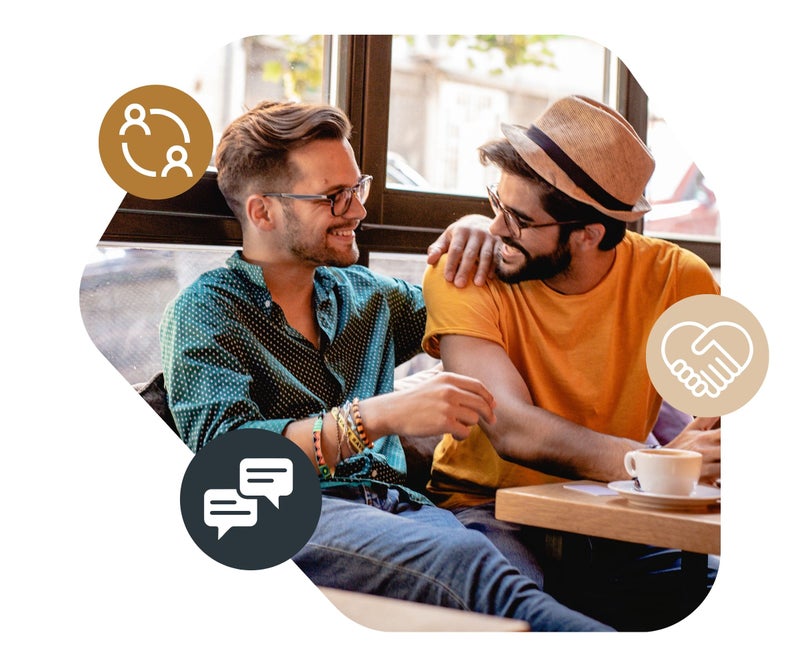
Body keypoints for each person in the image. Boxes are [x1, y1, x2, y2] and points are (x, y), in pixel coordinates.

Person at [159, 99, 611, 631]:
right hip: (295, 513)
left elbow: (475, 308)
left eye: (359, 188)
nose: (358, 210)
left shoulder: (369, 298)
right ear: (263, 212)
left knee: (511, 562)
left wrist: (475, 226)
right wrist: (377, 416)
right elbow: (227, 467)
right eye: (334, 197)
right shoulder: (204, 312)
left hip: (405, 509)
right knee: (466, 566)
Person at [421, 95, 721, 630]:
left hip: (615, 515)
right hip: (486, 511)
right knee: (530, 625)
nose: (494, 229)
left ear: (589, 233)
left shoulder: (678, 278)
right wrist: (650, 465)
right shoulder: (464, 272)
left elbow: (739, 397)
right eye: (496, 204)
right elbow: (508, 425)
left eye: (517, 218)